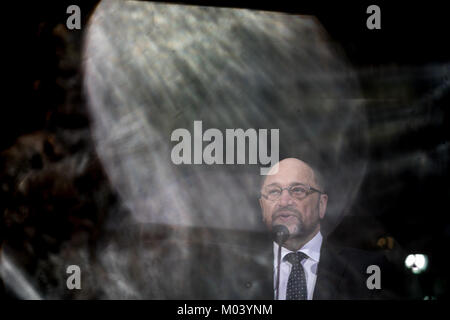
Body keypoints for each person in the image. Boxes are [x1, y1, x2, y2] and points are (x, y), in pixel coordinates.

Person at [258, 158, 397, 300]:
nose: (284, 201)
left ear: (322, 204)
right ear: (263, 207)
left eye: (298, 190)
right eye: (274, 191)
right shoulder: (239, 271)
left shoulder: (368, 269)